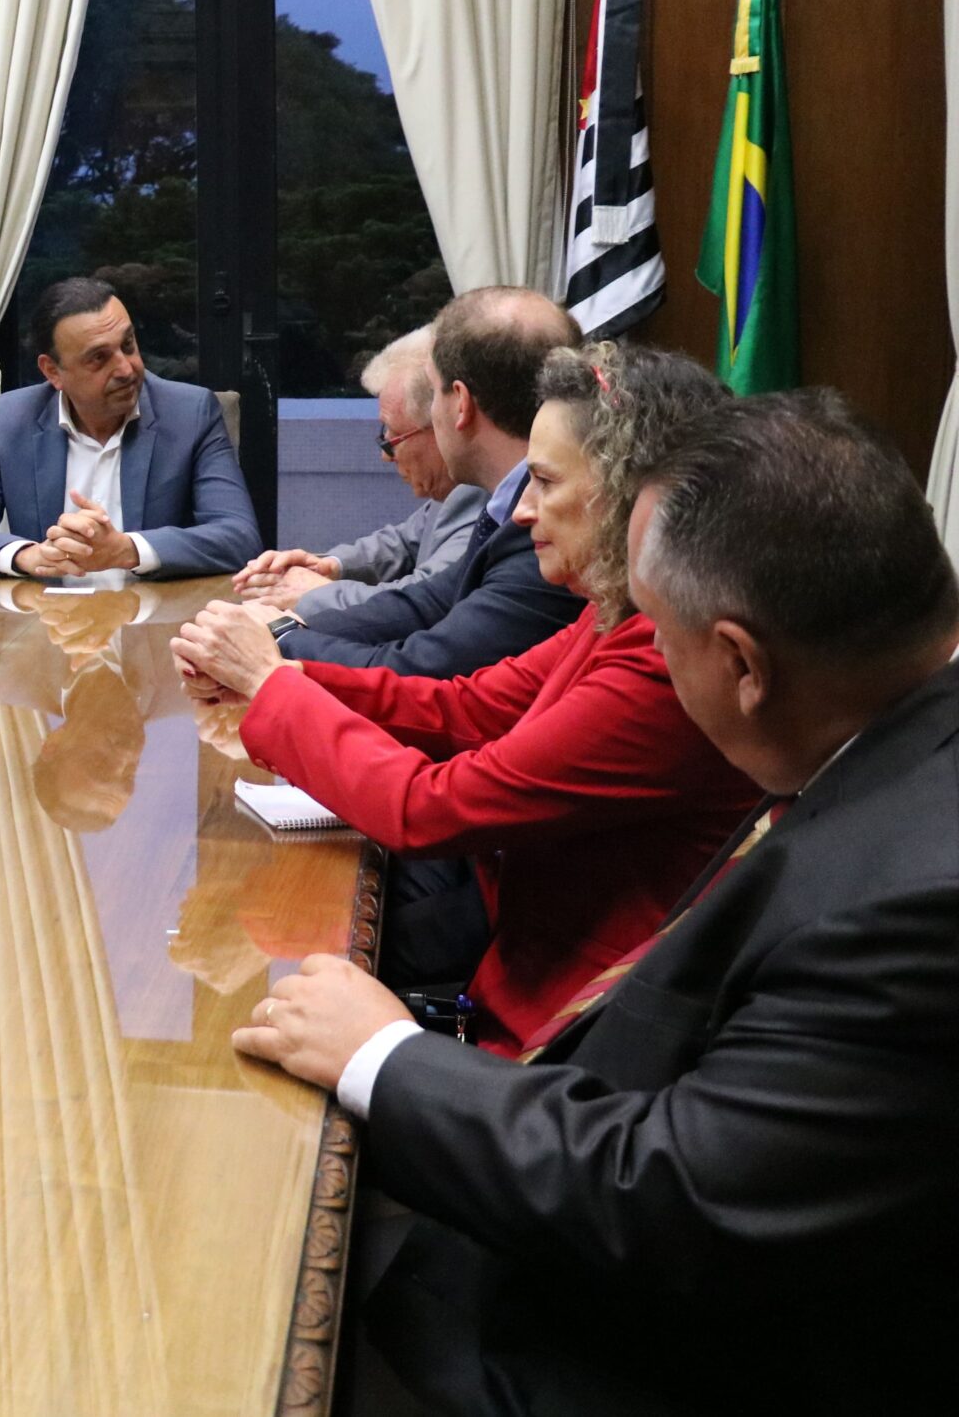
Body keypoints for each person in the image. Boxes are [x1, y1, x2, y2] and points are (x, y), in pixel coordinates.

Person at [233, 391, 959, 1412]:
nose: (645, 658)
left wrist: (382, 1058)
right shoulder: (879, 743)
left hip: (629, 1345)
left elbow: (678, 1198)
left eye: (658, 633)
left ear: (741, 664)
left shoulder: (914, 907)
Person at [174, 343, 756, 1054]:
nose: (521, 512)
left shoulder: (664, 657)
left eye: (543, 481)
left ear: (633, 497)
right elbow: (466, 707)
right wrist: (276, 678)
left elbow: (432, 809)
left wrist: (271, 686)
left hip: (557, 1047)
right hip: (511, 984)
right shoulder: (616, 610)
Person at [262, 285, 583, 679]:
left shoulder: (549, 528)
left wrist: (270, 647)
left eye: (433, 392)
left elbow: (425, 666)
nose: (532, 507)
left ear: (460, 402)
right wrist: (277, 633)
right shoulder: (509, 498)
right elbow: (427, 601)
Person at [0, 275, 258, 579]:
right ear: (53, 372)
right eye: (99, 358)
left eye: (128, 345)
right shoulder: (11, 419)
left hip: (154, 631)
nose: (126, 369)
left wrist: (127, 550)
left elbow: (239, 537)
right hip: (51, 630)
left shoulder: (190, 413)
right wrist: (28, 555)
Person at [231, 326, 485, 616]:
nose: (384, 455)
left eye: (393, 437)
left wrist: (316, 592)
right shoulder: (456, 489)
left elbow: (422, 599)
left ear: (446, 420)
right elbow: (405, 541)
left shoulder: (483, 489)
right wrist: (330, 566)